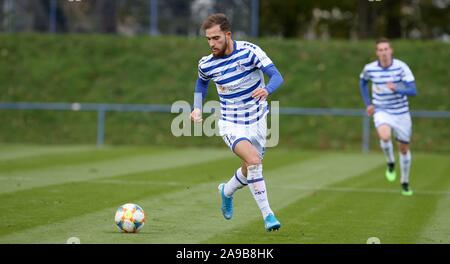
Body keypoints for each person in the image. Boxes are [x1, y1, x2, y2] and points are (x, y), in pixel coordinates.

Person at [190, 13, 284, 231]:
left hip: (258, 120)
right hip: (230, 122)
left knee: (250, 166)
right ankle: (268, 215)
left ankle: (227, 191)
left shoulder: (250, 52)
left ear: (228, 35)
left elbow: (277, 76)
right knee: (253, 160)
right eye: (208, 39)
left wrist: (267, 89)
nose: (212, 44)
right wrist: (197, 107)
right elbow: (201, 83)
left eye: (216, 38)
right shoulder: (207, 64)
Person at [359, 38, 417, 196]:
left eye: (386, 49)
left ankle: (405, 181)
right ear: (377, 52)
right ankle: (391, 162)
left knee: (404, 149)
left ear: (391, 50)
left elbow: (413, 90)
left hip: (401, 113)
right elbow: (362, 82)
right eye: (380, 50)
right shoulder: (370, 69)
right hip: (381, 110)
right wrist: (368, 104)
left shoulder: (401, 67)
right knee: (384, 136)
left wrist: (397, 89)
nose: (384, 52)